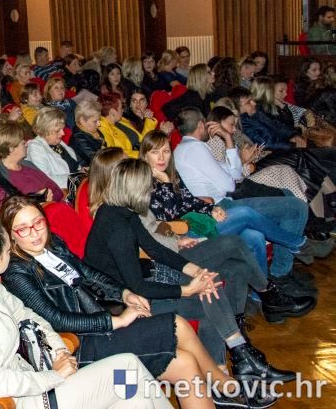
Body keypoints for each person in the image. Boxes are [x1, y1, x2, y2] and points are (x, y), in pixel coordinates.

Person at [0, 196, 274, 409]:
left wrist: (124, 294)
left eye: (38, 223)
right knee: (176, 325)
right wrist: (117, 321)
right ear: (11, 235)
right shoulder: (16, 271)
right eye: (23, 229)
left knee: (185, 363)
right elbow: (56, 319)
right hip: (78, 345)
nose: (35, 233)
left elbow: (89, 274)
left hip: (100, 323)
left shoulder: (53, 244)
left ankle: (222, 387)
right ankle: (224, 386)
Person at [84, 158, 296, 382]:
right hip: (123, 302)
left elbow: (155, 249)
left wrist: (196, 272)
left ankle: (232, 365)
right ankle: (227, 372)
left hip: (140, 280)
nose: (151, 190)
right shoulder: (118, 230)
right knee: (209, 296)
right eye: (149, 185)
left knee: (212, 286)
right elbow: (137, 287)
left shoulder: (119, 210)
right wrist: (188, 290)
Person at [0, 220, 172, 409]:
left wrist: (59, 351)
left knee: (135, 399)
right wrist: (55, 375)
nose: (11, 255)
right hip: (15, 401)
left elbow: (29, 316)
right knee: (128, 366)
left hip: (33, 382)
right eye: (8, 250)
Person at [139, 130, 316, 323]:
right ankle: (297, 244)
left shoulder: (171, 174)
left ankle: (263, 300)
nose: (161, 157)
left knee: (254, 236)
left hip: (196, 223)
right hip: (180, 238)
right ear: (145, 155)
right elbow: (166, 217)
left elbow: (189, 201)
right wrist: (166, 184)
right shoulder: (141, 181)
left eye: (166, 151)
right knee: (245, 213)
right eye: (155, 152)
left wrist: (211, 209)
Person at [172, 108, 331, 295]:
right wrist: (232, 167)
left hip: (223, 203)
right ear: (201, 124)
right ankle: (295, 253)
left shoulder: (187, 148)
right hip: (219, 208)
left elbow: (235, 174)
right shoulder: (195, 148)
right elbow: (229, 184)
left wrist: (228, 139)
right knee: (297, 207)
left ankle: (268, 289)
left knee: (257, 235)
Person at [26, 107, 84, 192]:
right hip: (65, 191)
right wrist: (78, 177)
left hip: (78, 184)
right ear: (44, 130)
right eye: (57, 131)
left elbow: (74, 165)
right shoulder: (35, 148)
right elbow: (47, 179)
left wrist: (83, 171)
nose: (63, 133)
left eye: (62, 129)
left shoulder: (56, 142)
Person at [97, 93, 139, 157]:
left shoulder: (119, 120)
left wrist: (149, 121)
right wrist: (143, 155)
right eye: (121, 108)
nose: (123, 110)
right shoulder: (102, 128)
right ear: (113, 112)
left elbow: (141, 137)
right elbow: (115, 153)